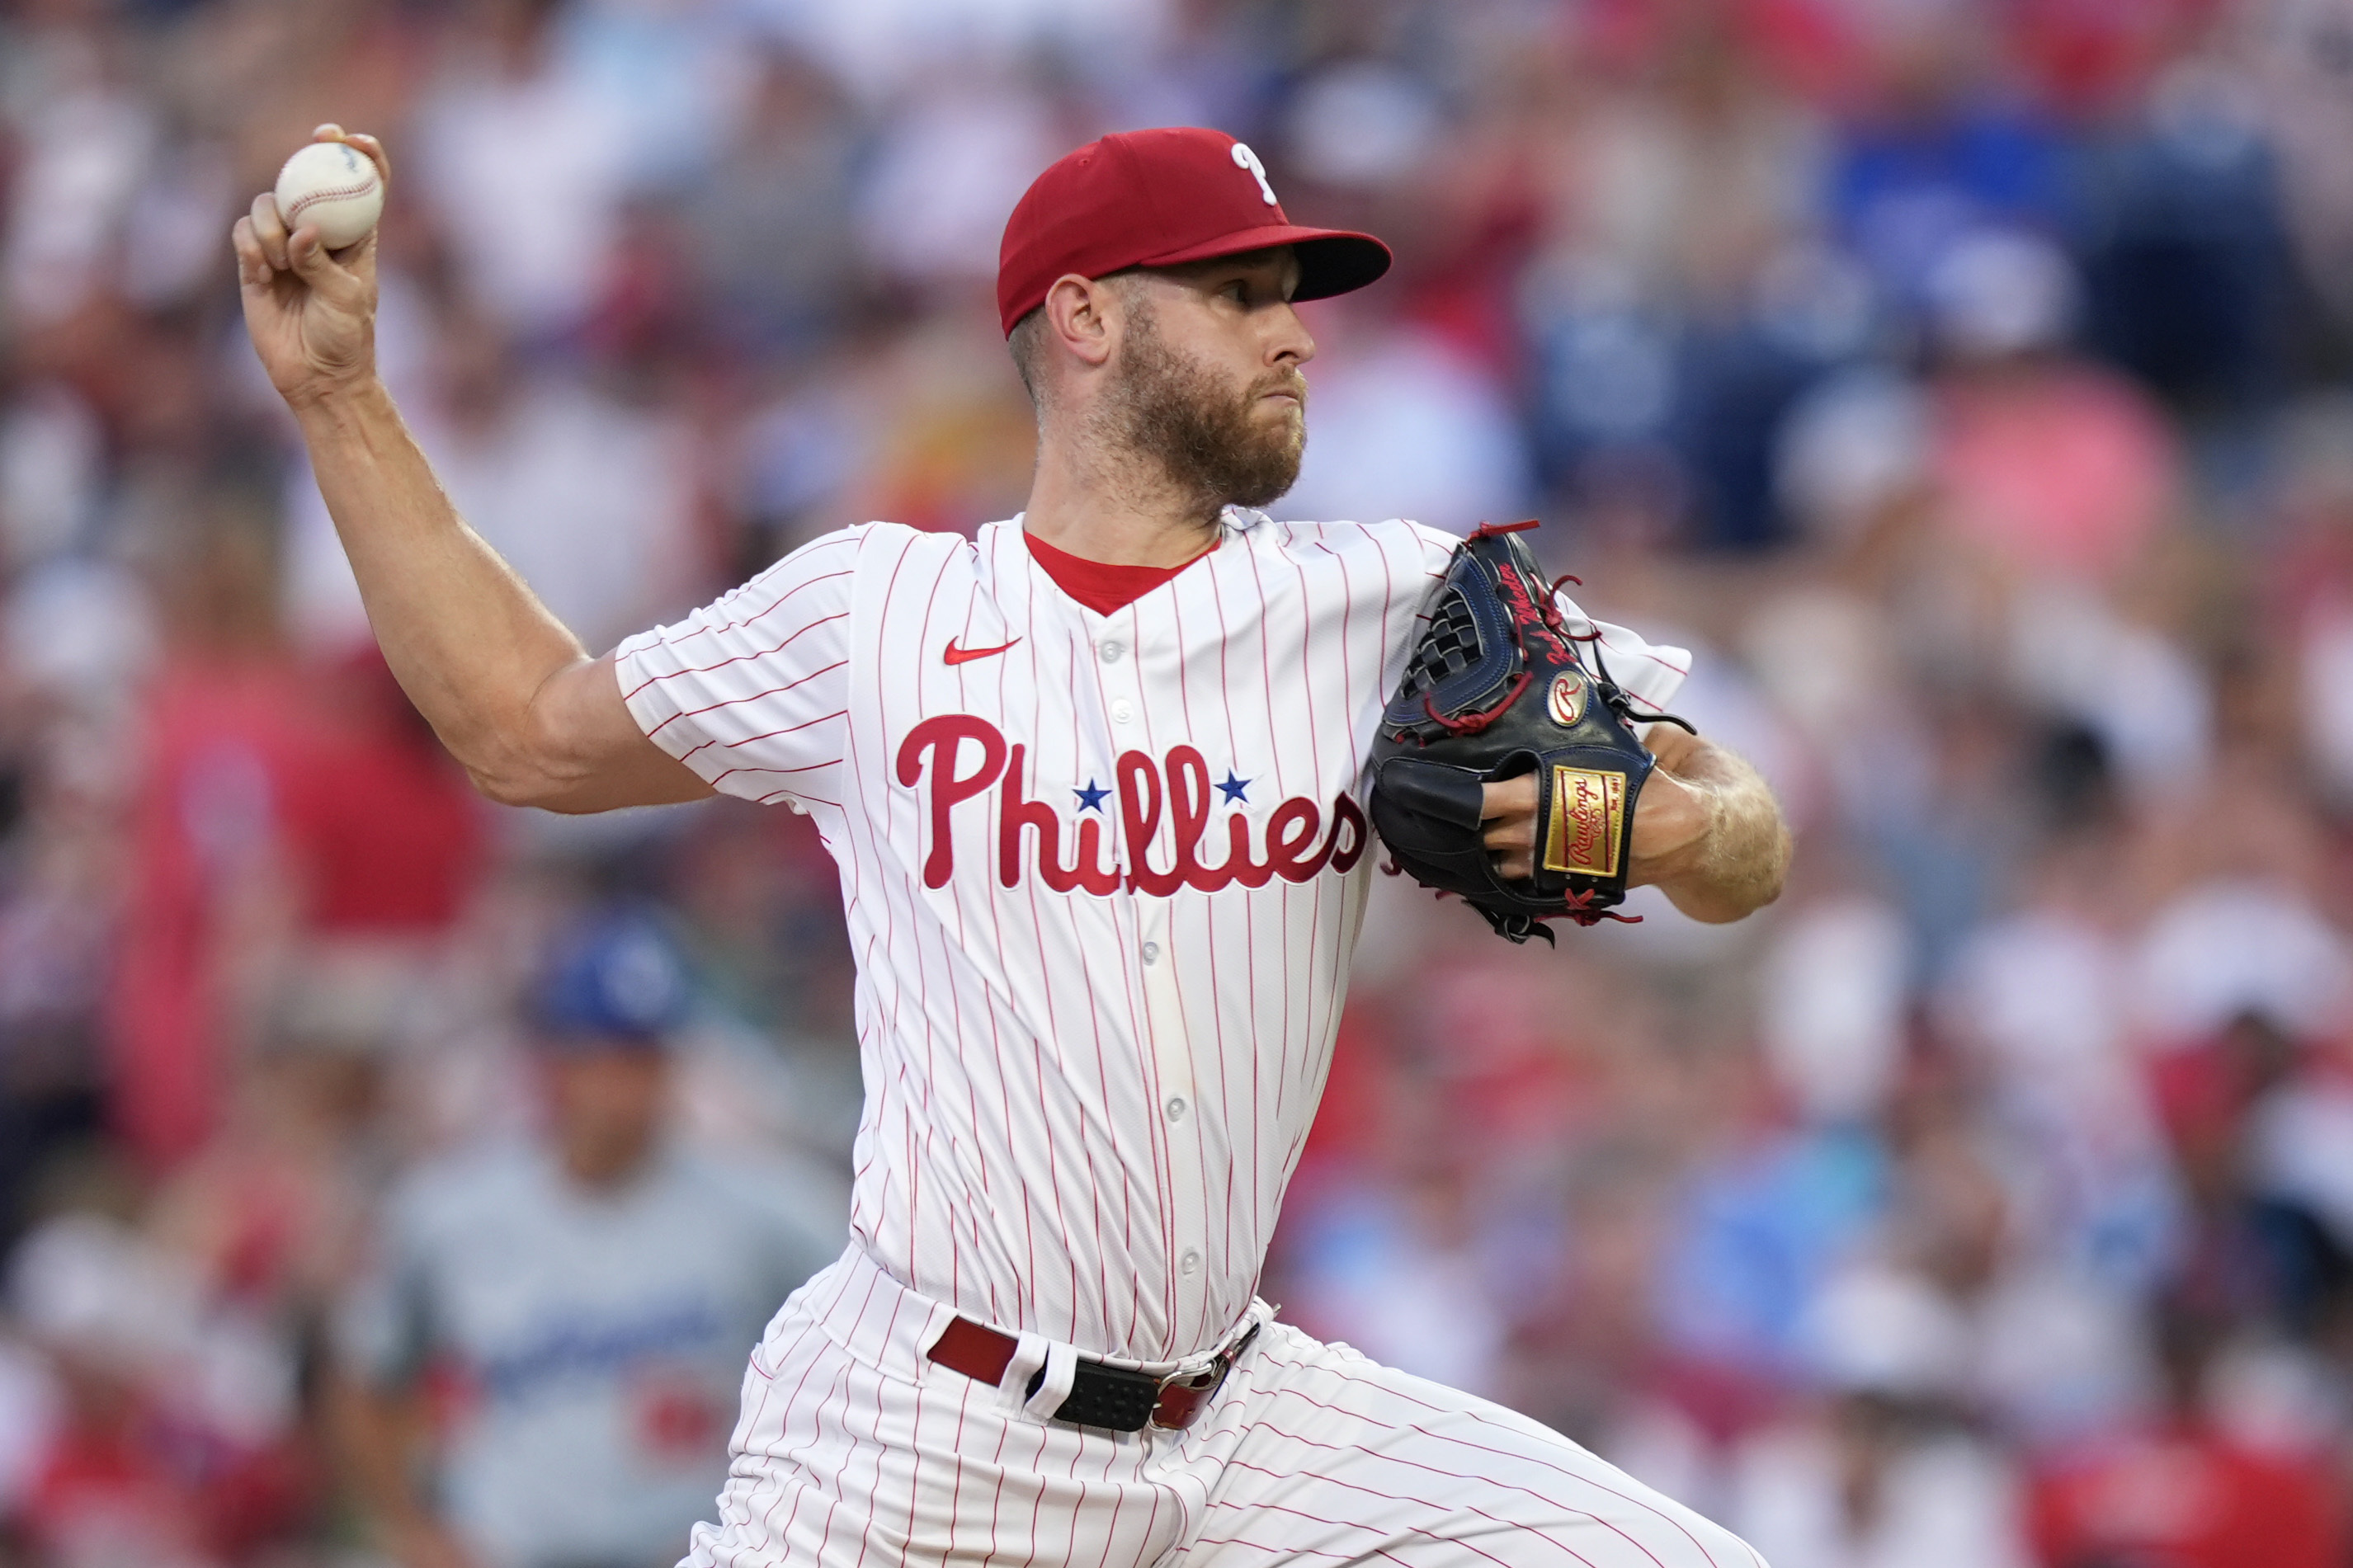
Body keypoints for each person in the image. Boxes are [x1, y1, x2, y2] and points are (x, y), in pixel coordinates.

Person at [235, 121, 1788, 1566]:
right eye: (1240, 293)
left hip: (1243, 1423)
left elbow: (1746, 839)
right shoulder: (872, 616)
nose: (1295, 332)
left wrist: (1650, 825)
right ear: (1088, 319)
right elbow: (520, 727)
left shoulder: (1380, 601)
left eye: (1289, 298)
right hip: (921, 1435)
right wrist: (339, 400)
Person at [329, 911, 842, 1568]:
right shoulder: (451, 1210)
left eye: (647, 1058)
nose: (629, 1088)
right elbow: (363, 1378)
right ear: (554, 1064)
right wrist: (413, 1528)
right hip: (514, 1546)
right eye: (608, 1057)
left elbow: (869, 1352)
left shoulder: (766, 1209)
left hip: (691, 1548)